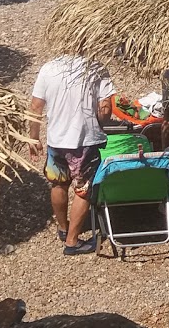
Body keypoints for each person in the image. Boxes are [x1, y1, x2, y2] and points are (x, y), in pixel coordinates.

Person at [29, 55, 114, 256]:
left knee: (59, 184)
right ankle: (72, 241)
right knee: (83, 190)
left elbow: (35, 107)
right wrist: (100, 125)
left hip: (56, 141)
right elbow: (105, 108)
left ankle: (63, 228)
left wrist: (33, 138)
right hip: (84, 141)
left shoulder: (48, 68)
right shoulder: (95, 67)